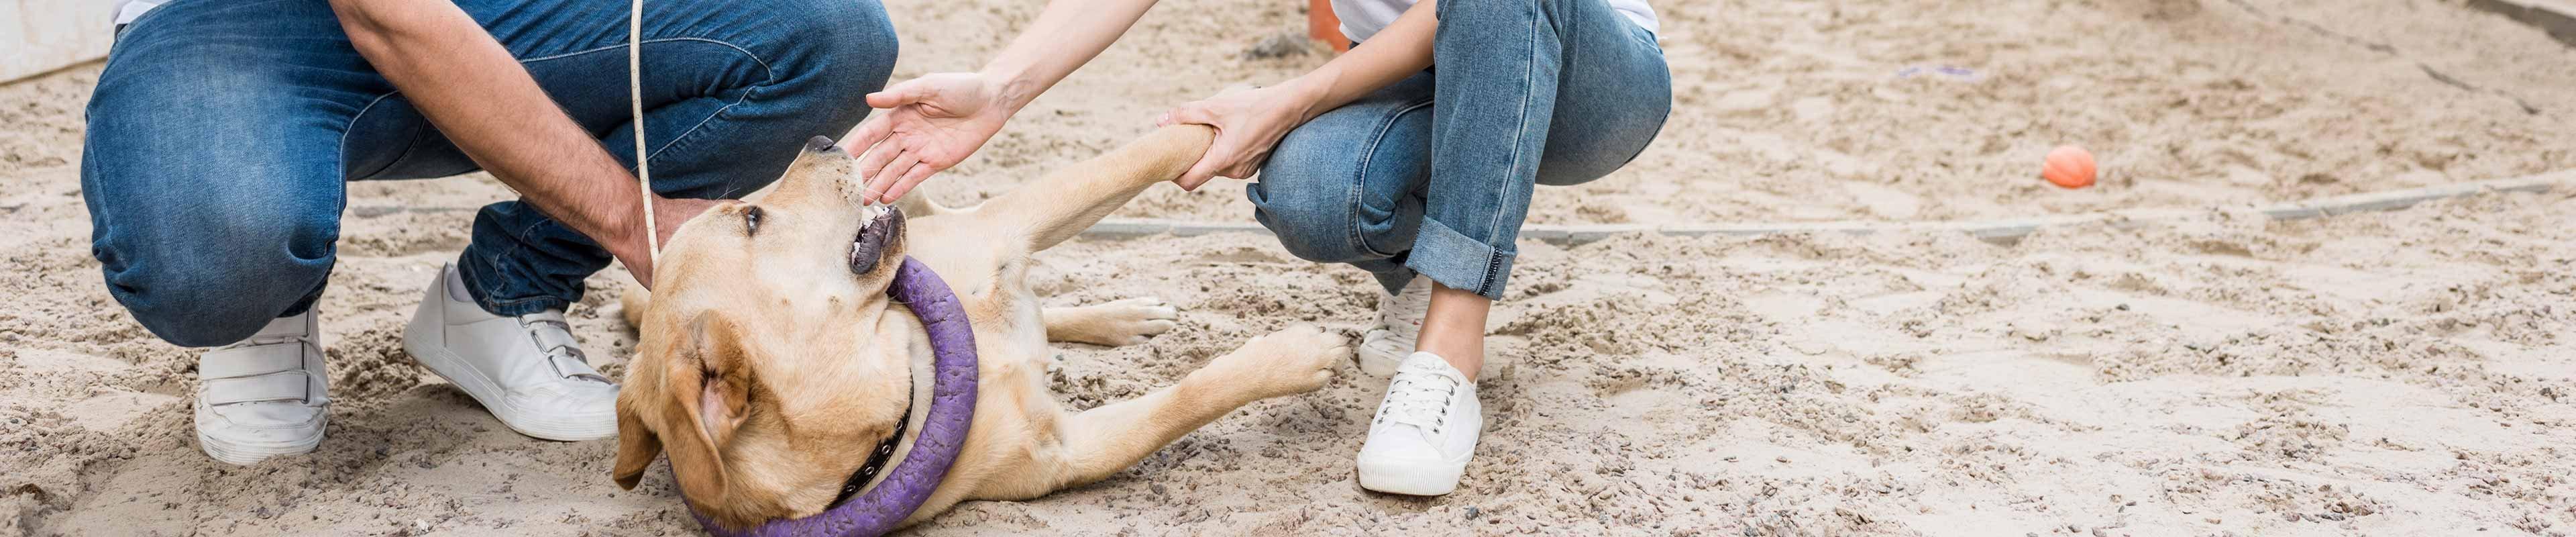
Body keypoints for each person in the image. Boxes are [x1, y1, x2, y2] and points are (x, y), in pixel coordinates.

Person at [843, 0, 1668, 495]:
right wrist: (1001, 88)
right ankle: (1419, 278)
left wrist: (1296, 94)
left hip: (1587, 72)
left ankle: (1451, 349)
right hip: (1417, 76)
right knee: (1311, 189)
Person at [83, 0, 896, 465]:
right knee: (212, 249)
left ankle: (503, 293)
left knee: (827, 36)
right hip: (230, 20)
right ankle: (267, 307)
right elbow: (389, 17)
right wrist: (632, 221)